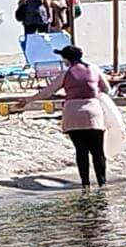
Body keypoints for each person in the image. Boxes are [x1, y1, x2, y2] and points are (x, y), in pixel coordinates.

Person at [17, 45, 113, 188]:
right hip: (93, 113)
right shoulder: (94, 69)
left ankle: (85, 184)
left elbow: (47, 92)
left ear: (66, 58)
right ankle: (102, 183)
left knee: (81, 151)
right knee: (97, 151)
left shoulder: (66, 74)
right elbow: (107, 89)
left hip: (73, 114)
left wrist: (28, 101)